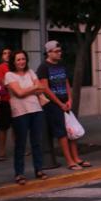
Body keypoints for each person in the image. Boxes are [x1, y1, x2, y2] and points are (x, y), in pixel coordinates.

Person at [37, 41, 89, 170]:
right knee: (62, 133)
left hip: (65, 102)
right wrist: (59, 103)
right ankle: (69, 161)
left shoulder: (61, 65)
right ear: (49, 52)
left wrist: (70, 99)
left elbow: (66, 83)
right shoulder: (43, 67)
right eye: (56, 51)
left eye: (60, 51)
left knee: (72, 131)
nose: (59, 53)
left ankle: (76, 158)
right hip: (53, 104)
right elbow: (45, 89)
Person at [4, 50, 46, 185]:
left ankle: (39, 169)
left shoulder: (31, 72)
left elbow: (41, 88)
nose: (21, 62)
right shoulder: (9, 75)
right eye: (18, 60)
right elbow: (19, 93)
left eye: (23, 59)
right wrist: (33, 88)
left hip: (36, 110)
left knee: (37, 142)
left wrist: (32, 88)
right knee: (20, 144)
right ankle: (19, 173)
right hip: (20, 113)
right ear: (13, 62)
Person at [0, 48, 12, 161]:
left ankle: (19, 148)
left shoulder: (15, 66)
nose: (7, 55)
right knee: (3, 127)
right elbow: (1, 83)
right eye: (5, 53)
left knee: (17, 126)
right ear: (2, 56)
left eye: (9, 53)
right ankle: (1, 151)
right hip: (5, 101)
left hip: (16, 100)